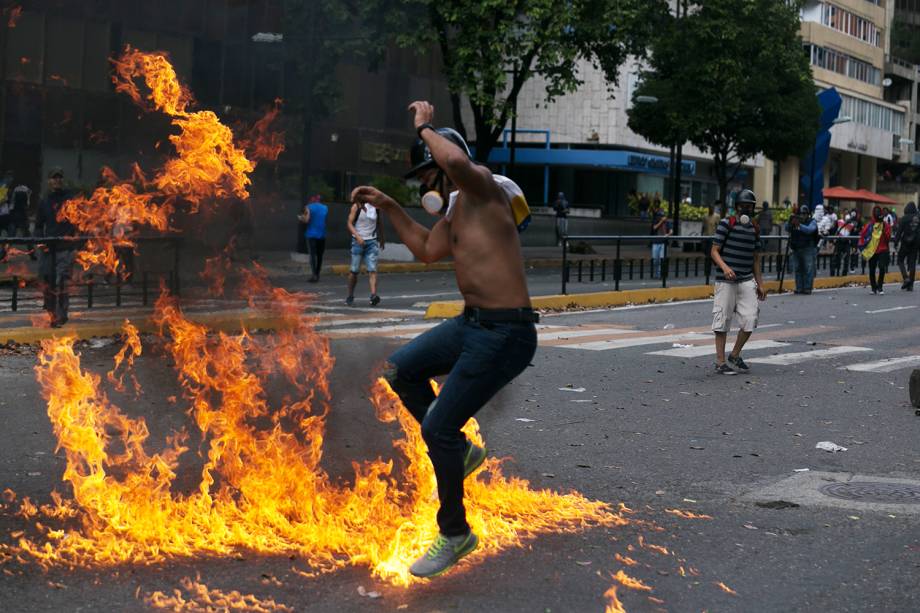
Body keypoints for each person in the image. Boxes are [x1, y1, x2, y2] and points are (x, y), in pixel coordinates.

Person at [350, 100, 537, 578]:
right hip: (472, 324)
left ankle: (455, 533)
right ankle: (464, 452)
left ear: (448, 158)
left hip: (507, 332)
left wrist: (424, 127)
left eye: (430, 169)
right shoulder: (454, 211)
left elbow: (456, 163)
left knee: (436, 429)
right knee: (400, 369)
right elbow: (427, 250)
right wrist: (390, 206)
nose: (429, 180)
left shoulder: (486, 190)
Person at [709, 188, 767, 375]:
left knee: (751, 318)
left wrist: (760, 284)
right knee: (722, 320)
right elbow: (714, 251)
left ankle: (735, 354)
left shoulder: (755, 228)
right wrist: (725, 268)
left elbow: (756, 259)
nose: (746, 209)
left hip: (746, 280)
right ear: (736, 207)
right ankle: (720, 362)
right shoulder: (727, 224)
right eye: (743, 206)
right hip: (725, 281)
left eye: (750, 206)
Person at [35, 167, 76, 327]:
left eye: (59, 177)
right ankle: (52, 314)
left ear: (62, 180)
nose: (57, 180)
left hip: (65, 249)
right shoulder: (44, 202)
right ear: (49, 181)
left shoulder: (70, 199)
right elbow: (38, 226)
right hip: (48, 250)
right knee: (48, 283)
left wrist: (77, 242)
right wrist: (41, 242)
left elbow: (79, 221)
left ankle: (61, 315)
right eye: (54, 177)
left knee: (62, 283)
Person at [346, 198, 385, 306]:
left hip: (372, 242)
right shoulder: (356, 207)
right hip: (357, 242)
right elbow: (349, 223)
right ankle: (350, 295)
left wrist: (382, 238)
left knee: (372, 269)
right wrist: (358, 237)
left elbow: (379, 222)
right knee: (354, 270)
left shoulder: (376, 208)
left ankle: (373, 295)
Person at [858, 205, 892, 295]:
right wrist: (862, 246)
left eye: (878, 211)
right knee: (872, 269)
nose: (877, 213)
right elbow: (862, 234)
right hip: (872, 250)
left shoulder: (885, 225)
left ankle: (880, 286)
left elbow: (888, 237)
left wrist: (883, 228)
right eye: (875, 211)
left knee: (882, 267)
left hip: (883, 250)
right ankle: (873, 288)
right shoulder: (870, 225)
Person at [786, 204, 818, 294]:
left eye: (805, 213)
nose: (803, 215)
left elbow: (809, 230)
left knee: (808, 269)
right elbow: (787, 228)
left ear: (808, 214)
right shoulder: (795, 221)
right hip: (796, 248)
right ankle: (799, 288)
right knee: (798, 269)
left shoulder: (812, 221)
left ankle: (807, 288)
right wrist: (789, 221)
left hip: (808, 248)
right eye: (801, 213)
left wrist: (799, 225)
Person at [300, 194, 328, 282]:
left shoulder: (308, 207)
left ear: (312, 199)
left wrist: (301, 218)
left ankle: (314, 275)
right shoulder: (325, 208)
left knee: (312, 255)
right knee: (320, 255)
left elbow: (307, 219)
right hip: (322, 234)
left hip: (311, 235)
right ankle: (318, 274)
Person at [895, 201, 919, 291]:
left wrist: (896, 242)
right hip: (916, 243)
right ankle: (911, 285)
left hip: (905, 242)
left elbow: (899, 232)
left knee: (900, 260)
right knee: (912, 262)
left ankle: (906, 278)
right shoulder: (918, 217)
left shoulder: (904, 218)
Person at [650, 202, 671, 278]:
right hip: (655, 242)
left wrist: (667, 235)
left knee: (662, 258)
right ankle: (656, 273)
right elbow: (654, 228)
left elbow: (671, 231)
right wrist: (661, 221)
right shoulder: (656, 220)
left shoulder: (667, 222)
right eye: (660, 215)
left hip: (663, 243)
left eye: (662, 215)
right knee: (655, 259)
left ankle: (660, 274)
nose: (662, 217)